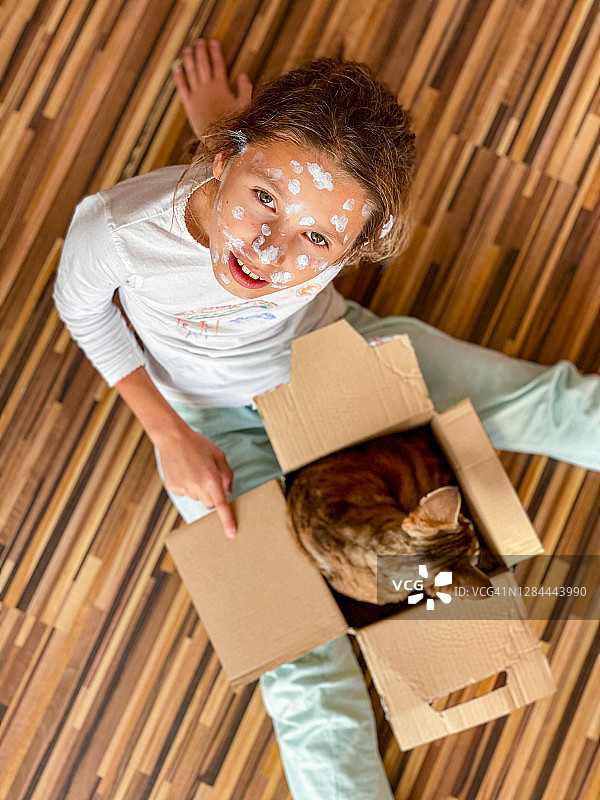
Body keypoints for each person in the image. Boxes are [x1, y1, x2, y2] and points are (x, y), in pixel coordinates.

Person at [53, 39, 599, 800]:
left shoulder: (319, 216)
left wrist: (250, 162)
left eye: (317, 238)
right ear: (222, 157)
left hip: (332, 353)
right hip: (204, 420)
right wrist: (168, 432)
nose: (267, 251)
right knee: (297, 655)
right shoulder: (118, 229)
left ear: (356, 248)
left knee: (545, 402)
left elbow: (293, 193)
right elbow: (81, 310)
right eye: (263, 198)